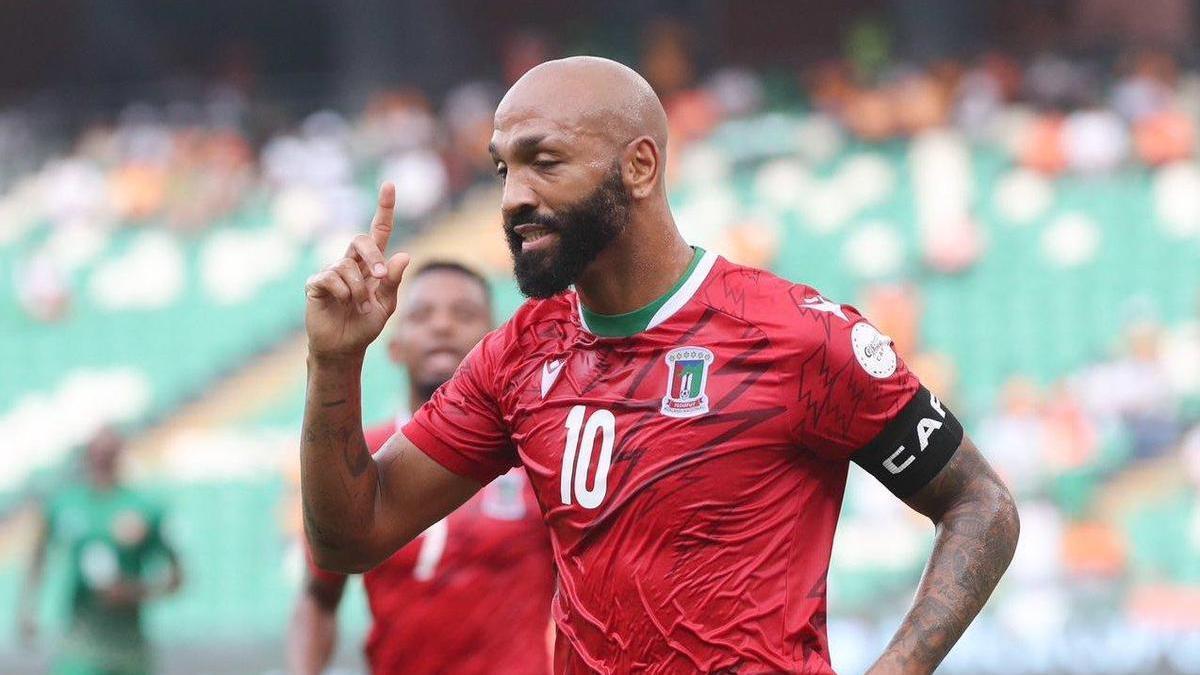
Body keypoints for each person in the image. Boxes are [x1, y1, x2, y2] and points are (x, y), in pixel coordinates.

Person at [300, 56, 1020, 674]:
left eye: (543, 161)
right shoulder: (518, 354)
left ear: (639, 166)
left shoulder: (798, 335)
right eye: (502, 168)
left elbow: (979, 502)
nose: (514, 197)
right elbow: (351, 535)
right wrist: (334, 363)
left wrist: (899, 666)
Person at [287, 261, 554, 674]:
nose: (442, 326)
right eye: (421, 315)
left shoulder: (537, 450)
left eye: (464, 314)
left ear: (497, 342)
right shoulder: (357, 455)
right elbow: (318, 597)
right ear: (395, 345)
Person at [18, 426, 183, 675]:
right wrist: (27, 609)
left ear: (120, 456)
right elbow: (39, 555)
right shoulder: (65, 503)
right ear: (87, 457)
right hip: (80, 642)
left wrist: (135, 591)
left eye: (109, 455)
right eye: (97, 454)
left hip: (128, 646)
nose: (102, 462)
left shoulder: (146, 508)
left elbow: (177, 578)